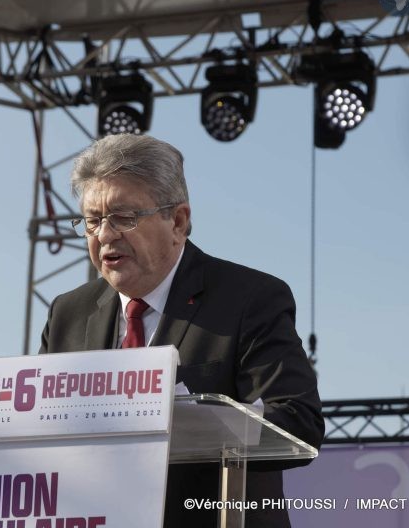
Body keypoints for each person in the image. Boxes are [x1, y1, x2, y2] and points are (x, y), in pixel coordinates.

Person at [40, 134, 324, 527]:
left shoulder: (250, 299)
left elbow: (299, 422)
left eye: (124, 217)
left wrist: (198, 419)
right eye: (92, 221)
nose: (104, 236)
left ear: (178, 221)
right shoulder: (67, 314)